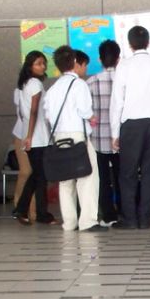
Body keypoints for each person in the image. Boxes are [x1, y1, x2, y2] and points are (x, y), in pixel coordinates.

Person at [110, 24, 150, 230]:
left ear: (129, 44)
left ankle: (130, 218)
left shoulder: (124, 66)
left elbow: (117, 102)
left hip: (131, 126)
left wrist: (115, 133)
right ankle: (145, 219)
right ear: (148, 42)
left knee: (127, 173)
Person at [42, 46, 103, 233]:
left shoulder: (52, 89)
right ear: (74, 62)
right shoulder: (79, 85)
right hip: (78, 137)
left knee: (65, 180)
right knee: (88, 177)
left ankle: (69, 223)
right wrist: (91, 117)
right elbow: (85, 110)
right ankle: (88, 221)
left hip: (59, 137)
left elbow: (48, 116)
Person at [12, 50, 55, 225]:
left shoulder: (25, 84)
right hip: (38, 138)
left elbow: (25, 113)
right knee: (39, 176)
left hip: (31, 136)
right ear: (30, 66)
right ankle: (34, 212)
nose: (42, 66)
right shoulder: (35, 83)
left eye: (43, 63)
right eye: (38, 63)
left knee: (38, 176)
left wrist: (27, 136)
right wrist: (30, 136)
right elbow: (33, 111)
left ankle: (26, 210)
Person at [88, 38, 120, 225]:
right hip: (121, 139)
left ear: (99, 59)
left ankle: (108, 215)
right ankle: (125, 212)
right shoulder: (125, 80)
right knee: (124, 177)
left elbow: (87, 112)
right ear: (118, 59)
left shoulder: (91, 82)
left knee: (102, 180)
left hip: (97, 139)